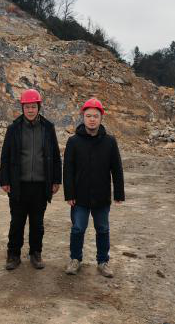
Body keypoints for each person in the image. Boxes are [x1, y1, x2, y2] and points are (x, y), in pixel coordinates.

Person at [0, 89, 62, 270]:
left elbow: (55, 156)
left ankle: (36, 253)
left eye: (33, 107)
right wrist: (5, 180)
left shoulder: (48, 128)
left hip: (41, 186)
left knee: (37, 223)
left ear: (38, 107)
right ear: (22, 108)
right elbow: (5, 156)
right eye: (27, 107)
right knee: (16, 222)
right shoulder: (13, 129)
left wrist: (56, 180)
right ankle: (13, 255)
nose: (30, 110)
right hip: (19, 185)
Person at [63, 98, 125, 277]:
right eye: (88, 116)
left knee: (103, 229)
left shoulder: (110, 142)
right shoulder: (73, 141)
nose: (92, 119)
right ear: (83, 117)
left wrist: (119, 193)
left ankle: (103, 262)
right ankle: (75, 259)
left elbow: (117, 169)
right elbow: (68, 170)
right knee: (78, 228)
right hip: (79, 197)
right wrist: (69, 194)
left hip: (101, 196)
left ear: (101, 118)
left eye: (95, 116)